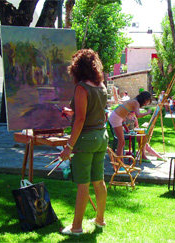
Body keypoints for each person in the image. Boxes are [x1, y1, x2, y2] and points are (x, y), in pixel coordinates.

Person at [59, 49, 108, 235]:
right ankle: (100, 219)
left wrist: (68, 147)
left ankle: (76, 227)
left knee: (83, 184)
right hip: (101, 137)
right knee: (99, 181)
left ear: (78, 68)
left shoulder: (81, 87)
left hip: (86, 140)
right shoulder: (101, 85)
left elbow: (80, 121)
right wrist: (72, 112)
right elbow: (93, 113)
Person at [108, 91, 152, 158]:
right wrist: (148, 112)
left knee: (121, 142)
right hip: (116, 118)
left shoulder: (134, 101)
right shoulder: (135, 102)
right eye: (147, 101)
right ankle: (119, 163)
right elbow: (138, 115)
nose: (147, 103)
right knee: (121, 142)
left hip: (117, 117)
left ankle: (120, 162)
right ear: (145, 99)